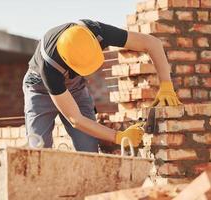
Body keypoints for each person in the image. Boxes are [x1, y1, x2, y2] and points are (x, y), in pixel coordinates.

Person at [22, 19, 182, 152]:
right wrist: (118, 136)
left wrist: (166, 85)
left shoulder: (97, 32)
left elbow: (152, 43)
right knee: (39, 149)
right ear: (67, 60)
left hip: (75, 87)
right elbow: (75, 119)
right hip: (40, 89)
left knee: (88, 149)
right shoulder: (49, 67)